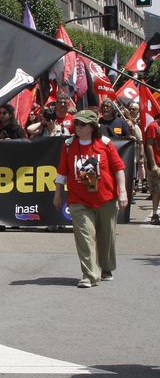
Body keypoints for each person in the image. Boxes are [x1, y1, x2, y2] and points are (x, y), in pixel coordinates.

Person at [54, 110, 126, 288]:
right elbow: (62, 172)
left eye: (83, 124)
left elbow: (118, 169)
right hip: (78, 200)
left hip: (106, 198)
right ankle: (89, 275)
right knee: (85, 236)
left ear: (93, 127)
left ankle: (106, 267)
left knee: (106, 236)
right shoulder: (68, 145)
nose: (78, 127)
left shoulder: (105, 143)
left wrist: (122, 191)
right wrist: (58, 194)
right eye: (77, 124)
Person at [144, 111, 160, 224]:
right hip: (157, 163)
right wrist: (153, 164)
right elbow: (148, 144)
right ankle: (154, 214)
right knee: (156, 190)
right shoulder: (153, 126)